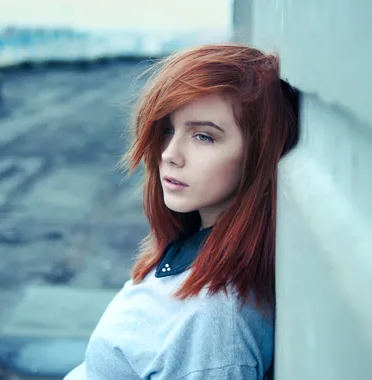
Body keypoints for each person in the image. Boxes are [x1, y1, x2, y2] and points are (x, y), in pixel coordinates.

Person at [64, 43, 298, 380]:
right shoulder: (192, 243)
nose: (170, 154)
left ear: (258, 155)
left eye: (203, 136)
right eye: (169, 130)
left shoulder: (215, 322)